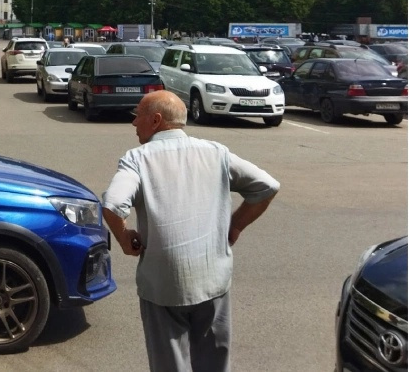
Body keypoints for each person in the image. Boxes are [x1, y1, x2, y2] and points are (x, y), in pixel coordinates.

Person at [102, 90, 279, 372]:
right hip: (212, 279)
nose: (134, 123)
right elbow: (267, 186)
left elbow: (112, 204)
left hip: (163, 284)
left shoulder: (138, 159)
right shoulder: (216, 152)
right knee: (214, 362)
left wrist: (124, 238)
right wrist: (236, 225)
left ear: (156, 120)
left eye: (138, 116)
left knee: (169, 364)